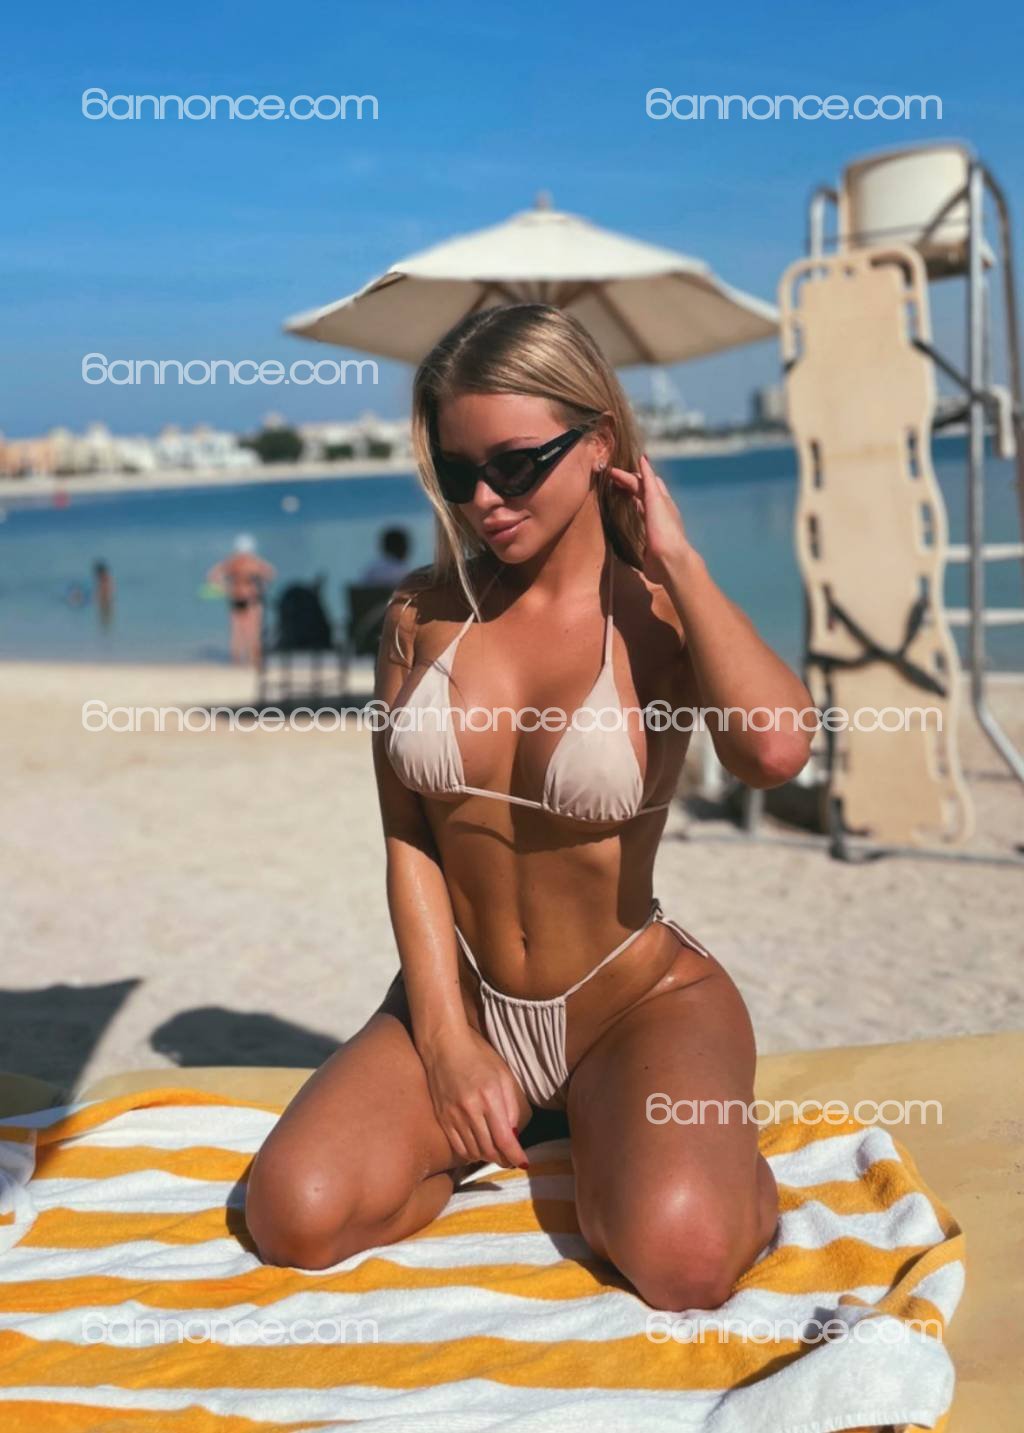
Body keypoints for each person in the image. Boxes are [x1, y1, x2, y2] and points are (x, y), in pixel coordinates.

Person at [245, 304, 814, 1312]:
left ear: (599, 440)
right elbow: (407, 835)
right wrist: (446, 1040)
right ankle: (566, 1127)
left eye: (514, 465)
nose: (483, 500)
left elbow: (773, 752)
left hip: (633, 1003)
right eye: (457, 471)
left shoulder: (659, 615)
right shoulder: (421, 615)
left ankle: (662, 1142)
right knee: (295, 1214)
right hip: (463, 999)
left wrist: (680, 560)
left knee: (680, 1260)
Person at [205, 534, 277, 667]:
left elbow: (212, 575)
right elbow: (271, 573)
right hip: (251, 597)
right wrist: (260, 588)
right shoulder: (254, 562)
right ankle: (254, 661)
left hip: (236, 596)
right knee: (254, 630)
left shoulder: (232, 562)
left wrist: (225, 588)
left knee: (237, 631)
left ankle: (236, 662)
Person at [93, 560, 114, 628]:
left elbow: (102, 594)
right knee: (105, 618)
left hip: (105, 602)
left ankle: (105, 626)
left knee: (105, 618)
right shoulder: (106, 579)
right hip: (107, 602)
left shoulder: (104, 580)